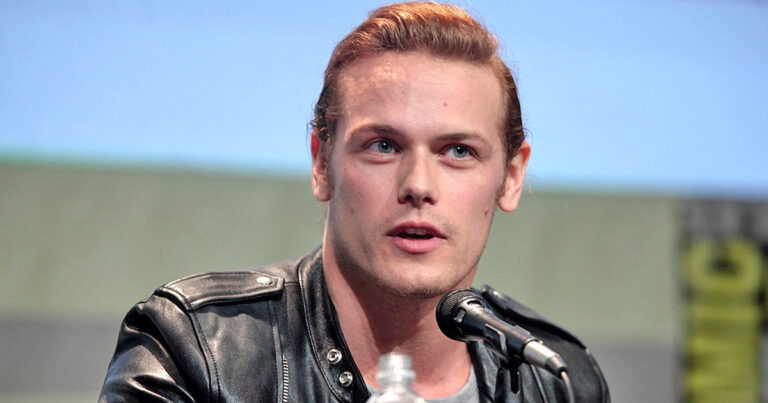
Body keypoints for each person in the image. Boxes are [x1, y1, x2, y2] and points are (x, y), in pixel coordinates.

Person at [100, 2, 609, 402]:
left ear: (511, 177)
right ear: (322, 165)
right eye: (383, 146)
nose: (418, 185)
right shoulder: (198, 348)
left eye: (458, 151)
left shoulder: (557, 377)